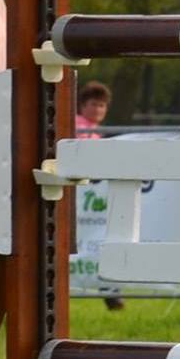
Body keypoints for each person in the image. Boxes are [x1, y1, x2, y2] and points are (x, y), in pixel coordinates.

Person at [72, 81, 123, 310]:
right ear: (82, 105)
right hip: (77, 198)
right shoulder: (76, 127)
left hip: (89, 200)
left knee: (95, 242)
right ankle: (108, 290)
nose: (98, 110)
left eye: (102, 106)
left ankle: (109, 289)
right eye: (94, 104)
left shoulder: (95, 133)